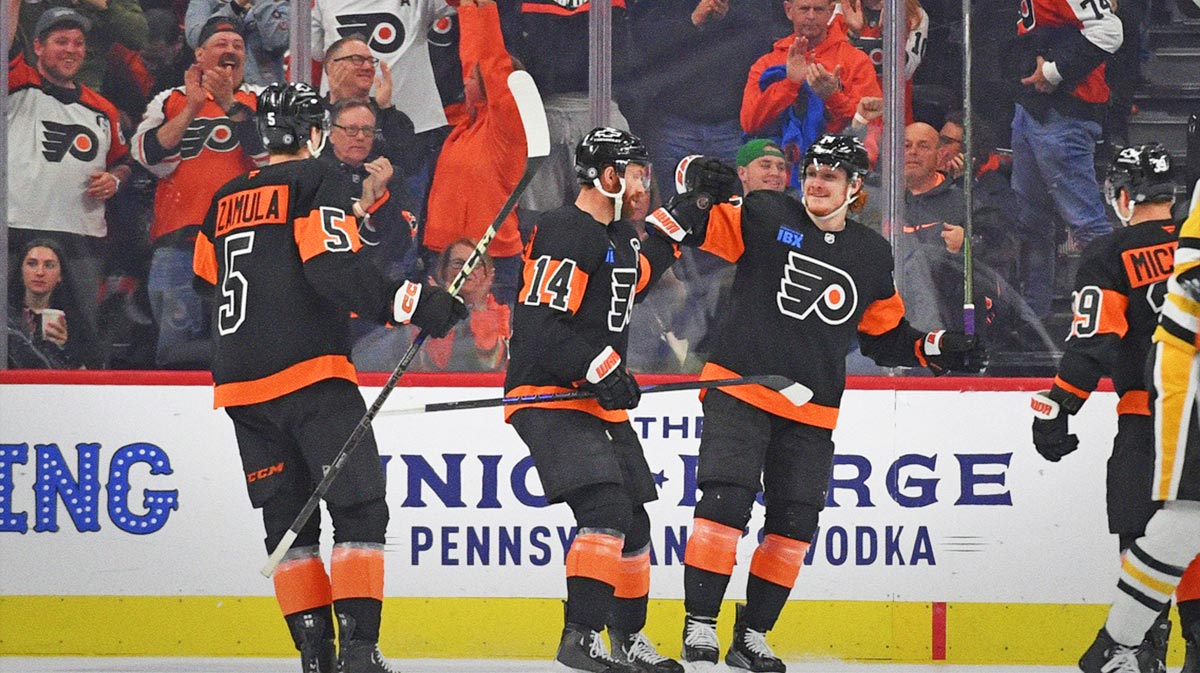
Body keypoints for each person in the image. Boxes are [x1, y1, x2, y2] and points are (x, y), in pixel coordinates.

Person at [674, 134, 984, 672]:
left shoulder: (870, 254)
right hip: (740, 385)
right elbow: (691, 226)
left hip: (813, 405)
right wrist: (699, 190)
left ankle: (752, 636)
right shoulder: (767, 212)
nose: (816, 182)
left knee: (795, 521)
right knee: (726, 501)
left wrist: (936, 346)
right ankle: (699, 624)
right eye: (812, 172)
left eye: (831, 175)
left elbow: (884, 335)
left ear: (855, 187)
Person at [192, 82, 466, 673]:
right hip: (310, 373)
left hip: (241, 387)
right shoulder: (318, 181)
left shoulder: (222, 198)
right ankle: (360, 654)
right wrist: (417, 302)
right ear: (313, 132)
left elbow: (205, 278)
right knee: (361, 507)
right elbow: (333, 271)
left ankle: (316, 658)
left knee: (288, 523)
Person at [504, 127, 737, 673]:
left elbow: (642, 267)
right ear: (608, 176)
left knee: (634, 521)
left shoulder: (620, 238)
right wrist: (598, 365)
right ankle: (580, 635)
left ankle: (627, 639)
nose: (642, 182)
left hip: (594, 398)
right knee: (604, 507)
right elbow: (539, 327)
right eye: (634, 172)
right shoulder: (564, 229)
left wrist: (694, 205)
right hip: (548, 394)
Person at [1030, 143, 1189, 672]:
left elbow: (1092, 343)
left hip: (1150, 420)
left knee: (1142, 532)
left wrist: (1058, 408)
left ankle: (1138, 649)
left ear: (1122, 195)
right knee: (1190, 529)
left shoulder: (1109, 254)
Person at [1074, 190, 1200, 672]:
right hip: (1185, 368)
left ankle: (1120, 644)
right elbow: (1193, 283)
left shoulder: (1113, 251)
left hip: (1163, 382)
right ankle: (1124, 645)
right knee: (1186, 513)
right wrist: (1065, 396)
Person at [131, 15, 266, 369]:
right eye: (222, 44)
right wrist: (193, 106)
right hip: (180, 249)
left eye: (238, 45)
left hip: (248, 249)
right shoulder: (169, 99)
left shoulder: (264, 99)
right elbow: (147, 155)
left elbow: (274, 158)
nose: (231, 50)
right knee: (175, 354)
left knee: (247, 354)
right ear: (200, 55)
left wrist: (228, 104)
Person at [6, 6, 133, 338]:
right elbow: (5, 39)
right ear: (37, 47)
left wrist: (115, 179)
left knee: (81, 332)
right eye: (61, 41)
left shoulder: (103, 109)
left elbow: (126, 162)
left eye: (78, 43)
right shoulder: (16, 84)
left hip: (81, 238)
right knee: (10, 330)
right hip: (16, 231)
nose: (71, 50)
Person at [1008, 0, 1122, 318]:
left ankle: (1113, 318)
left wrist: (1054, 71)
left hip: (1065, 111)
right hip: (1033, 108)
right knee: (1032, 221)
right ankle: (1034, 317)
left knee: (1086, 223)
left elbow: (1109, 31)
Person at [422, 0, 526, 306]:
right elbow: (474, 61)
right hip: (442, 256)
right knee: (439, 349)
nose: (464, 81)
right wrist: (468, 7)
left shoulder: (507, 128)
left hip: (491, 260)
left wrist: (487, 5)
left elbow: (493, 64)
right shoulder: (470, 125)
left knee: (489, 347)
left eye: (473, 79)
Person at [740, 0, 881, 162]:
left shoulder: (856, 61)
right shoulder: (767, 63)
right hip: (780, 169)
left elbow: (870, 126)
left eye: (819, 10)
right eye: (804, 9)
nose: (811, 16)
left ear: (831, 11)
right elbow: (750, 123)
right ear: (788, 10)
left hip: (837, 165)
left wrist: (832, 96)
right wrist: (790, 84)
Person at [320, 34, 418, 185]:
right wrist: (334, 104)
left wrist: (386, 109)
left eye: (370, 61)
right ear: (332, 66)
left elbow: (409, 165)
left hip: (381, 201)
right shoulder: (313, 113)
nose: (367, 67)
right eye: (357, 60)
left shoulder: (391, 117)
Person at [416, 238, 511, 371]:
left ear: (487, 272)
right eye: (458, 263)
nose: (467, 270)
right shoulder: (425, 308)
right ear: (444, 271)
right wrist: (444, 308)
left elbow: (491, 363)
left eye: (475, 264)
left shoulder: (504, 312)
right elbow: (436, 364)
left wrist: (480, 307)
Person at [6, 238, 97, 369]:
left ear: (60, 275)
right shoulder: (6, 318)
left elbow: (90, 372)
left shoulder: (75, 323)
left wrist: (65, 348)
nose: (40, 272)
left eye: (49, 265)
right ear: (21, 271)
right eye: (32, 264)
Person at [184, 0, 288, 87]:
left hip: (265, 92)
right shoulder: (204, 2)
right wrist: (235, 6)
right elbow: (196, 38)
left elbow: (279, 39)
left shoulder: (278, 3)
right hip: (215, 89)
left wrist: (262, 4)